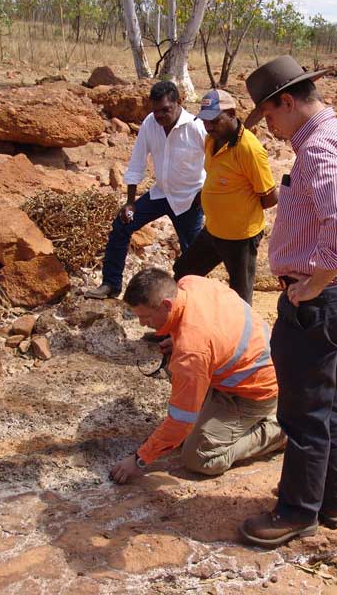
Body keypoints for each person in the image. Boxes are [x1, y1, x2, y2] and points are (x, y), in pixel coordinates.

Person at [239, 55, 337, 547]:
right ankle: (329, 501)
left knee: (302, 410)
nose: (272, 129)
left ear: (286, 101)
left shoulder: (319, 147)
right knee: (327, 402)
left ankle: (297, 511)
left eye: (271, 116)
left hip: (318, 297)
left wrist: (316, 281)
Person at [109, 268, 285, 484]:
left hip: (256, 391)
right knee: (180, 370)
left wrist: (139, 460)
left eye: (145, 316)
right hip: (263, 360)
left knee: (199, 457)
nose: (142, 324)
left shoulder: (192, 351)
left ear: (166, 305)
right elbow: (213, 324)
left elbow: (180, 421)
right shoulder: (191, 282)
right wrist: (177, 339)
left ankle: (280, 429)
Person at [85, 81, 206, 300]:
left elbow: (215, 163)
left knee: (194, 255)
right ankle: (111, 284)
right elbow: (137, 161)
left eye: (165, 110)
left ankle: (190, 301)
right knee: (122, 224)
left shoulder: (197, 127)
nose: (159, 116)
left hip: (190, 198)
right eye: (156, 111)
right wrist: (130, 202)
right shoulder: (151, 123)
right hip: (161, 194)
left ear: (179, 102)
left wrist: (204, 195)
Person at [172, 89, 278, 305]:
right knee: (184, 272)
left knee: (240, 296)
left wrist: (238, 208)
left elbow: (269, 198)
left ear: (231, 114)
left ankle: (239, 337)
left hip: (241, 237)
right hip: (212, 230)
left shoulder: (249, 149)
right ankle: (179, 322)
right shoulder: (212, 140)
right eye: (204, 121)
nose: (208, 126)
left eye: (214, 120)